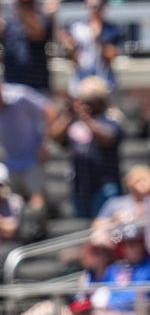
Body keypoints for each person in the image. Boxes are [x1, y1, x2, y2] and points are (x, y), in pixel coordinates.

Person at [51, 76, 123, 218]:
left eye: (89, 101)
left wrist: (85, 117)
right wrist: (68, 115)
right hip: (80, 188)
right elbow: (56, 138)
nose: (85, 105)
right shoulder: (75, 124)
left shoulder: (111, 121)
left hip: (105, 187)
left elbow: (108, 138)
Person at [0, 80, 56, 209]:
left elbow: (49, 110)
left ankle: (41, 224)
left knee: (37, 202)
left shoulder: (20, 96)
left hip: (33, 158)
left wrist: (45, 145)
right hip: (10, 162)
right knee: (13, 205)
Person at [59, 0, 122, 95]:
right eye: (90, 5)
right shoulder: (76, 28)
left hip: (104, 85)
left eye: (97, 5)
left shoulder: (112, 29)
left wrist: (98, 39)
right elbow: (73, 60)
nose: (94, 9)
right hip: (81, 85)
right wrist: (70, 47)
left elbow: (112, 55)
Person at [0, 0, 53, 92]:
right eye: (24, 3)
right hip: (12, 87)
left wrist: (19, 7)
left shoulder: (43, 21)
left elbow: (37, 33)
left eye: (29, 3)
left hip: (37, 88)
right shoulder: (10, 24)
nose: (27, 7)